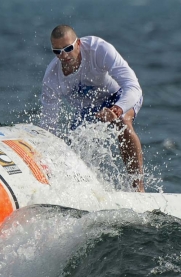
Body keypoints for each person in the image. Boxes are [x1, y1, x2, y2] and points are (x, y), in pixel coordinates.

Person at [40, 25, 145, 192]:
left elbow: (133, 87)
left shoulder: (99, 49)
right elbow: (48, 125)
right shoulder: (52, 78)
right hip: (90, 110)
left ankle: (138, 189)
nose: (64, 55)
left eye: (68, 48)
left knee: (123, 122)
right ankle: (88, 191)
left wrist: (117, 109)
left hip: (119, 97)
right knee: (73, 144)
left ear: (79, 43)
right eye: (57, 51)